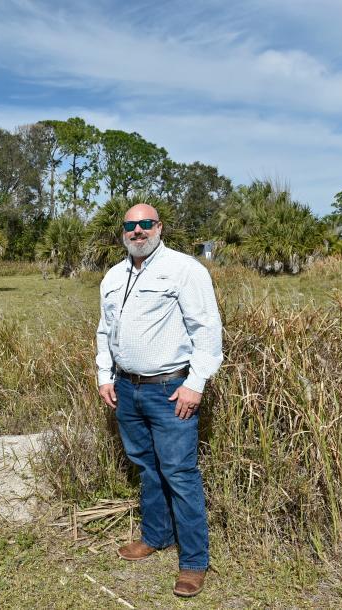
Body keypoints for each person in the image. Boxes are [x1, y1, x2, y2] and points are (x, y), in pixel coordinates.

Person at [95, 203, 223, 598]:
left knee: (179, 473)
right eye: (131, 225)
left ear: (159, 227)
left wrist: (196, 383)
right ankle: (155, 536)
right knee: (147, 468)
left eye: (145, 224)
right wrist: (105, 375)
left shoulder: (185, 269)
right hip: (127, 390)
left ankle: (193, 562)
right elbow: (104, 331)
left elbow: (207, 330)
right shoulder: (114, 276)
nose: (137, 231)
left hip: (170, 390)